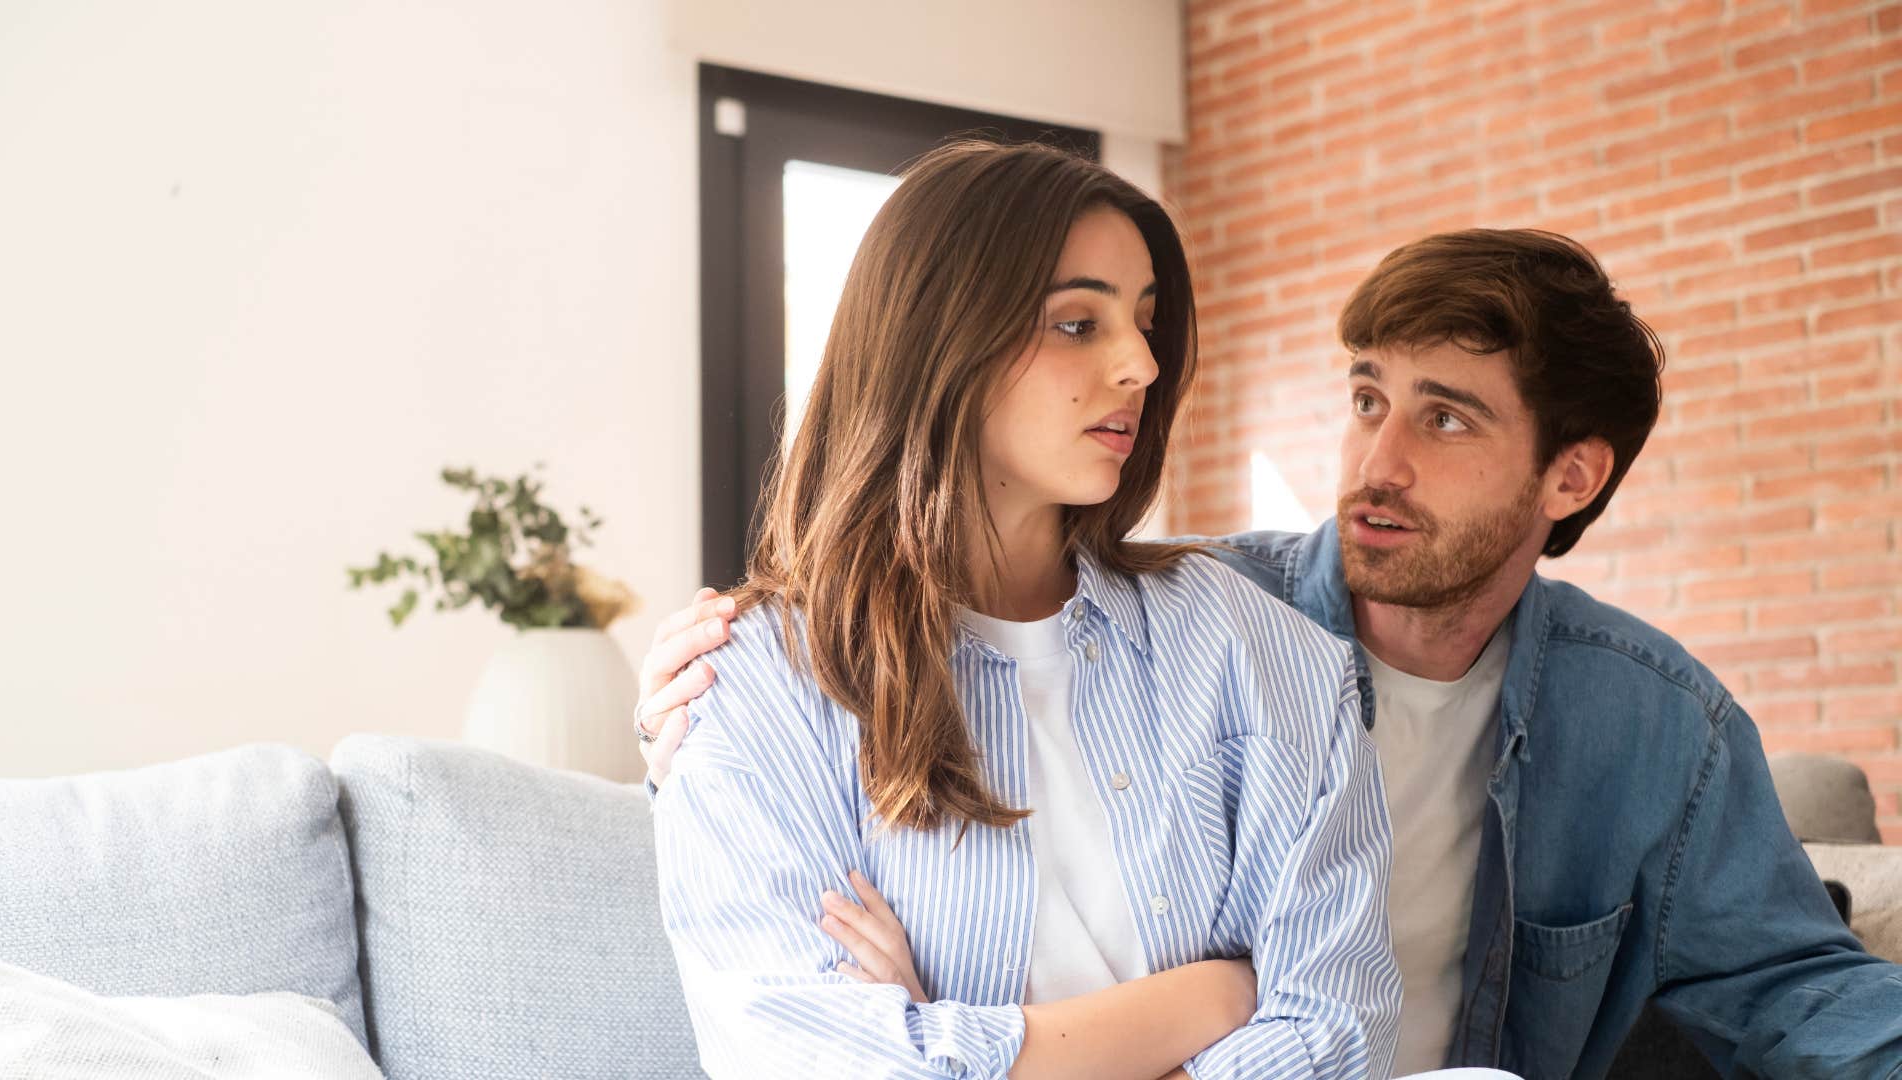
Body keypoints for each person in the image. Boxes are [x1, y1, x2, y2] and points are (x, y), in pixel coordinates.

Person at [639, 228, 1902, 1079]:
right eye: (1367, 400)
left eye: (1445, 420)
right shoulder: (1191, 621)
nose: (1375, 464)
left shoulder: (1655, 726)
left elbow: (1799, 991)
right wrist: (689, 726)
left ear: (1569, 477)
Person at [646, 140, 1400, 1080]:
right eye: (1077, 324)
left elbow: (1340, 1031)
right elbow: (806, 1056)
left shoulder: (1253, 647)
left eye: (1146, 322)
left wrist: (947, 1034)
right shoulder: (759, 677)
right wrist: (1210, 998)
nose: (1141, 365)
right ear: (936, 341)